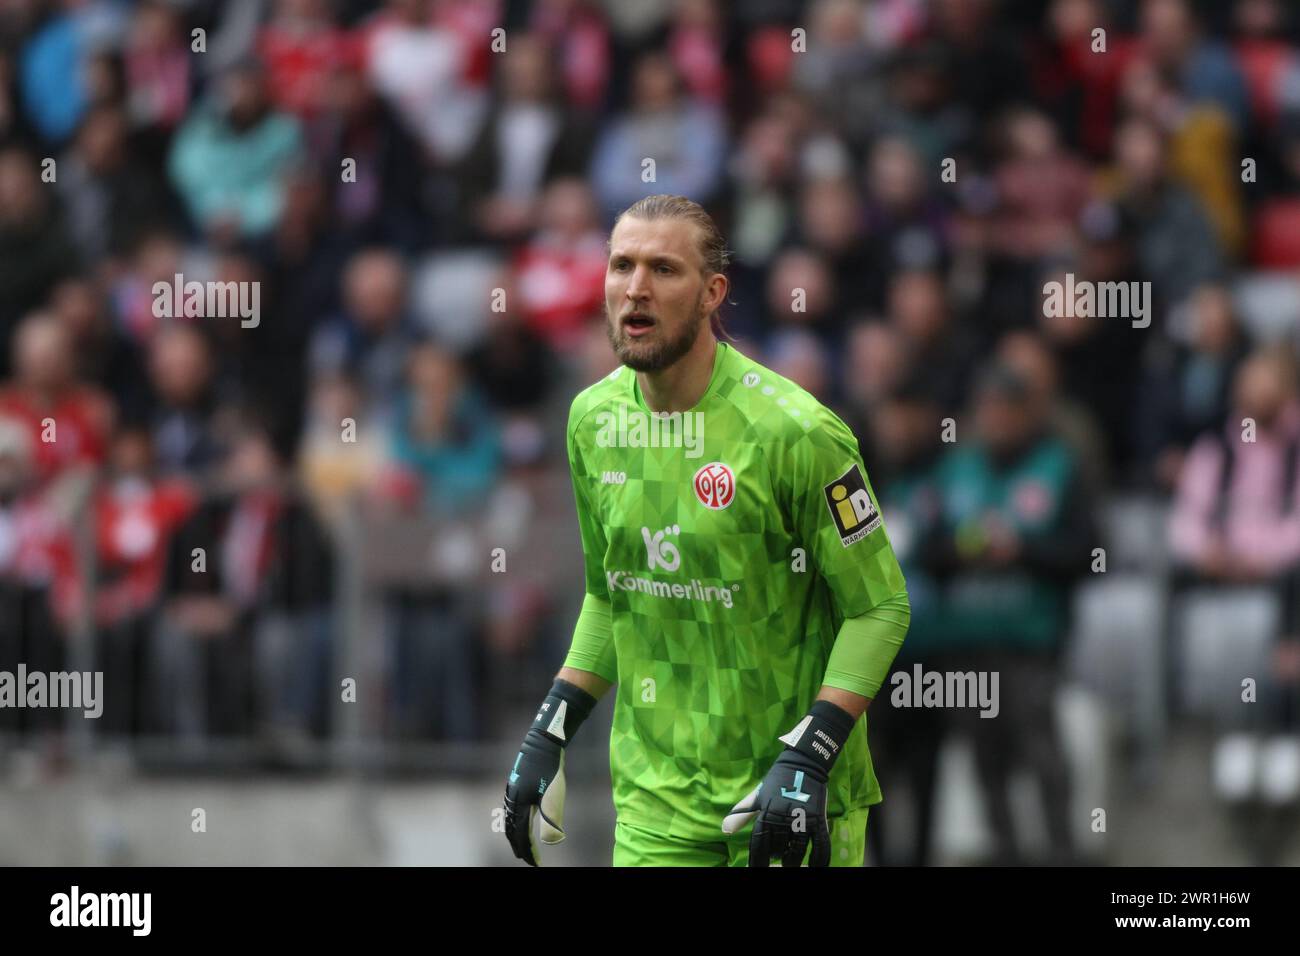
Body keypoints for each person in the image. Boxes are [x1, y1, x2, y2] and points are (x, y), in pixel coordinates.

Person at [502, 194, 911, 867]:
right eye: (621, 266)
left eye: (664, 270)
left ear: (711, 294)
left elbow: (879, 607)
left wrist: (810, 753)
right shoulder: (591, 422)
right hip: (654, 807)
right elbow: (612, 595)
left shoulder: (796, 432)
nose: (636, 289)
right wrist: (549, 733)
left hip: (787, 799)